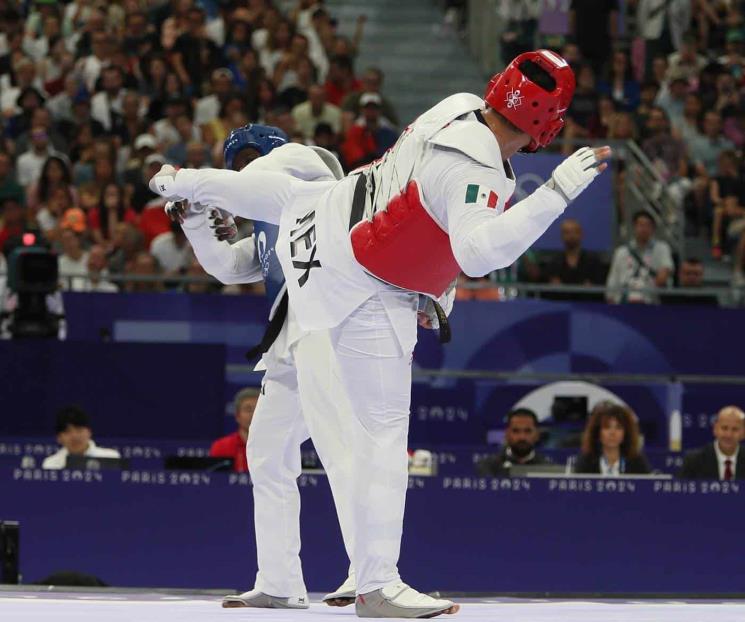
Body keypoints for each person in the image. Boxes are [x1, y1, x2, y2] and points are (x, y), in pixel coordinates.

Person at [151, 49, 610, 618]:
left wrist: (191, 189)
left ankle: (320, 579)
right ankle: (375, 582)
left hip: (332, 258)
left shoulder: (455, 107)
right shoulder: (476, 171)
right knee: (375, 441)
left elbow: (413, 211)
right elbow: (476, 251)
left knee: (313, 446)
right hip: (361, 289)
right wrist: (555, 193)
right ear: (550, 125)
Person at [166, 124, 357, 611]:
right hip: (289, 347)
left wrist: (191, 183)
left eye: (251, 159)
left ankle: (371, 573)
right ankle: (279, 582)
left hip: (331, 335)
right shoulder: (271, 225)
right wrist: (196, 220)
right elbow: (227, 267)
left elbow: (302, 164)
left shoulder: (312, 176)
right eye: (238, 165)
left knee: (341, 450)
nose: (245, 170)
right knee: (268, 456)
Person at [606, 211, 673, 304]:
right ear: (634, 227)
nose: (644, 229)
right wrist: (611, 300)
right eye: (641, 225)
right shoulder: (621, 252)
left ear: (653, 228)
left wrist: (662, 277)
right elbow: (613, 280)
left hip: (650, 301)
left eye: (647, 225)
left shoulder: (661, 248)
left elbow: (666, 269)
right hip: (624, 302)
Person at [573, 402, 651, 475]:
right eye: (607, 427)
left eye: (618, 427)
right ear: (598, 432)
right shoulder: (585, 461)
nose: (612, 433)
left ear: (626, 433)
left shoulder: (637, 462)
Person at [476, 408, 552, 476]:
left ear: (537, 435)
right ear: (507, 434)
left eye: (528, 431)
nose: (522, 437)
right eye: (516, 431)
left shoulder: (549, 469)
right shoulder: (487, 467)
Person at [42, 405, 121, 470]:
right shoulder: (51, 464)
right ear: (59, 438)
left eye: (79, 430)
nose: (74, 436)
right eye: (67, 431)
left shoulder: (111, 458)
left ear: (89, 432)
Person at [678, 406, 745, 480]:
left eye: (735, 429)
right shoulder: (693, 461)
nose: (728, 435)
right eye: (724, 428)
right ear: (715, 429)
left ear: (743, 433)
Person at [209, 388, 259, 473]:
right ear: (237, 416)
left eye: (258, 409)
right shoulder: (221, 447)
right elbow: (215, 482)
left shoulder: (273, 446)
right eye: (248, 409)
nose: (254, 414)